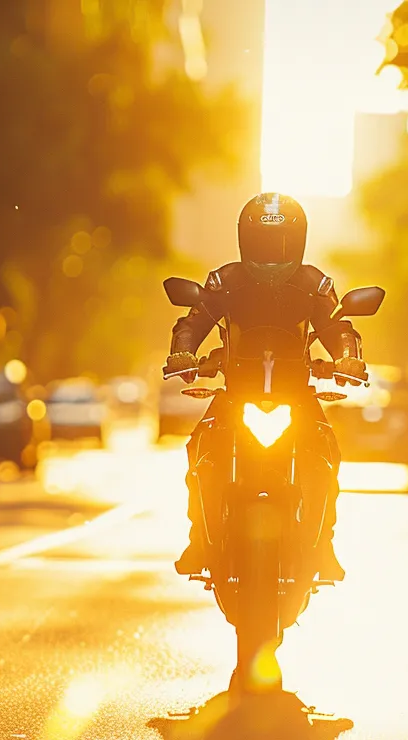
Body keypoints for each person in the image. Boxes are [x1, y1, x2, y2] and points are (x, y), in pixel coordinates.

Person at [165, 193, 368, 582]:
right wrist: (183, 353)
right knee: (198, 448)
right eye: (262, 243)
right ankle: (199, 541)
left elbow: (338, 327)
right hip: (236, 393)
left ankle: (322, 545)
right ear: (244, 240)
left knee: (328, 449)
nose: (271, 254)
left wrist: (348, 358)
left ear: (299, 241)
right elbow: (192, 321)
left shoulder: (314, 284)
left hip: (296, 395)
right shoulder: (224, 282)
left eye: (280, 244)